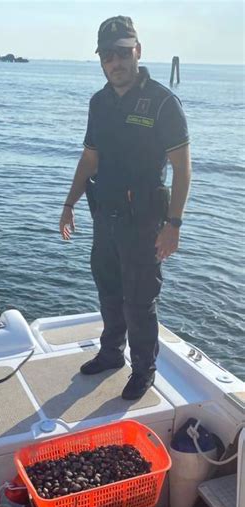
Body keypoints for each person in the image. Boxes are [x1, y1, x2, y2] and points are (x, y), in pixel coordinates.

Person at [60, 16, 191, 400]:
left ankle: (144, 368)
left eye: (122, 52)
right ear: (101, 59)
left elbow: (183, 169)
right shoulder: (99, 103)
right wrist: (70, 203)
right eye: (107, 55)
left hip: (144, 222)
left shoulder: (164, 102)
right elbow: (89, 160)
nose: (115, 62)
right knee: (109, 290)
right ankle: (111, 353)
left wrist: (174, 224)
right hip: (105, 216)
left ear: (138, 51)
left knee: (139, 300)